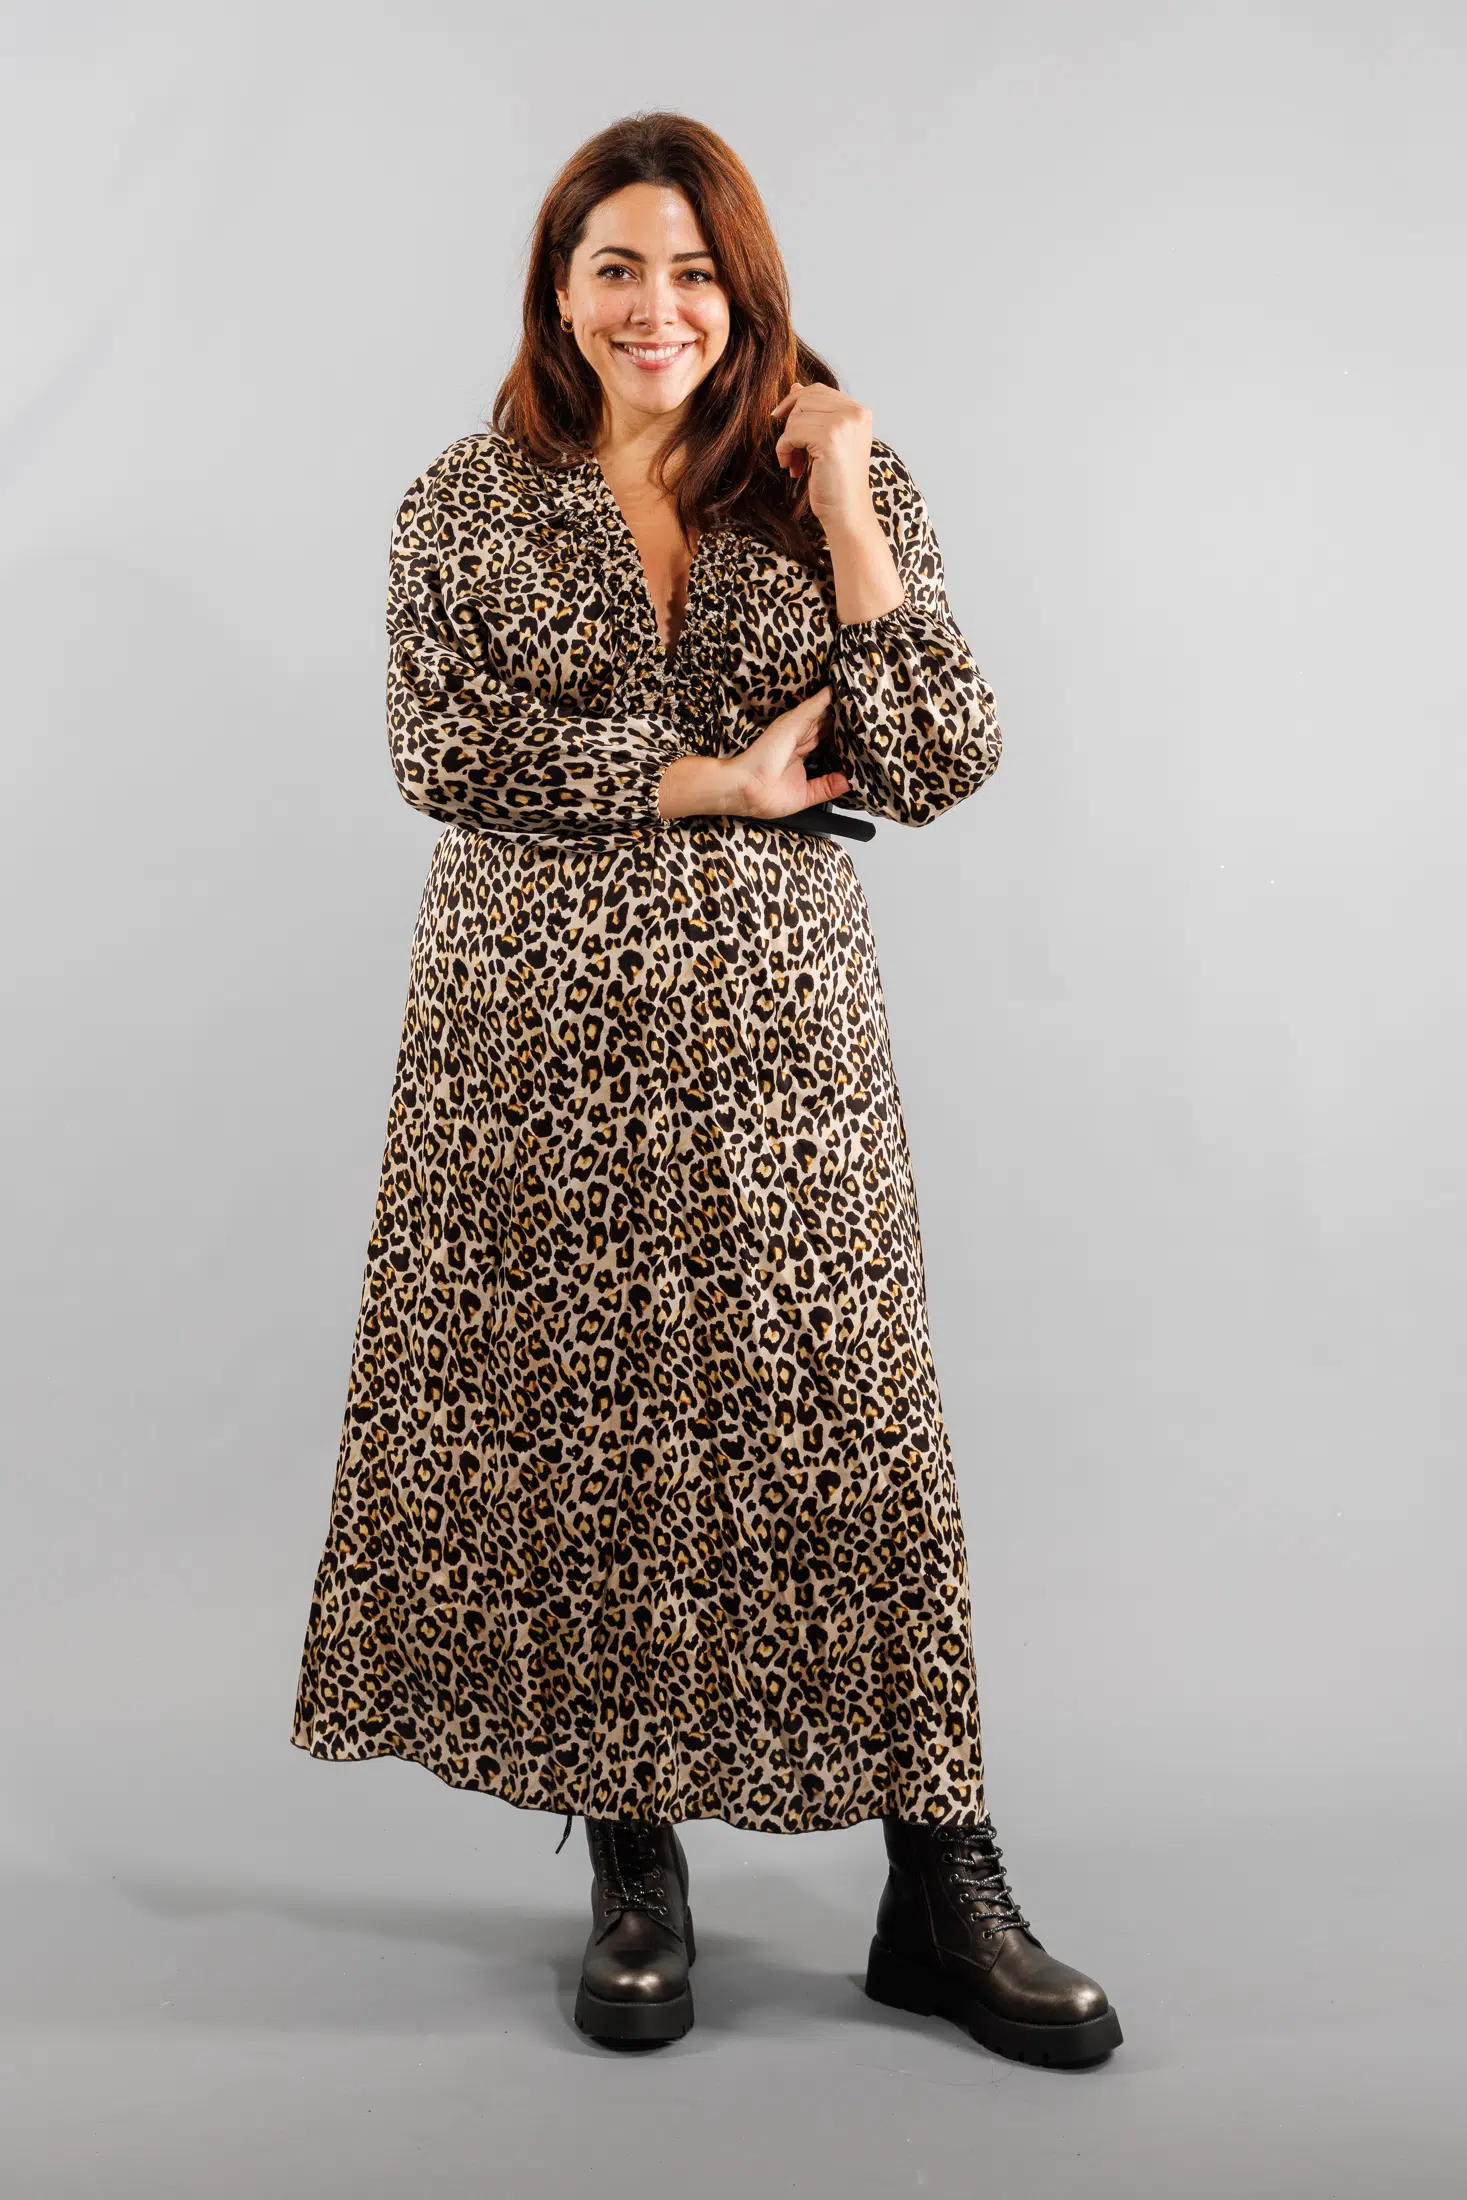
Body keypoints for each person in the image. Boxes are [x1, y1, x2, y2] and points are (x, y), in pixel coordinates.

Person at [290, 109, 1122, 2069]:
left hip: (777, 1044)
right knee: (589, 1440)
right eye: (615, 268)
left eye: (691, 270)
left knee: (849, 1427)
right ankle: (635, 1869)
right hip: (527, 1044)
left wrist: (849, 502)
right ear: (557, 289)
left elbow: (939, 753)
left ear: (745, 292)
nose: (653, 306)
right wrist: (706, 782)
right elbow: (439, 748)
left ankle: (942, 1887)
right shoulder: (464, 500)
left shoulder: (820, 479)